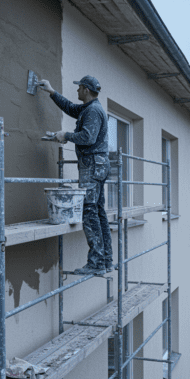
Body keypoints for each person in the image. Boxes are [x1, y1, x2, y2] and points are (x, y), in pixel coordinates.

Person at [39, 75, 113, 275]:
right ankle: (105, 260)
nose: (77, 91)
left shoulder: (93, 111)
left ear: (86, 90)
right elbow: (71, 108)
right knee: (98, 211)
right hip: (97, 165)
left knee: (89, 211)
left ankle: (97, 261)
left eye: (79, 88)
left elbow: (87, 138)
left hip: (92, 165)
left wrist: (66, 136)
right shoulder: (89, 108)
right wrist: (51, 91)